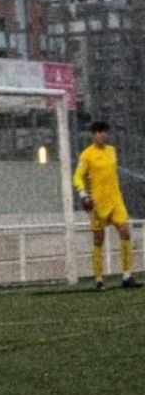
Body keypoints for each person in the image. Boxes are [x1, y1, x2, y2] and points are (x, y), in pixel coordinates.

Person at [72, 121, 140, 291]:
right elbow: (77, 177)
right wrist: (83, 194)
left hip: (116, 201)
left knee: (125, 231)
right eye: (100, 132)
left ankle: (127, 276)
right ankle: (99, 279)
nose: (103, 135)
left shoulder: (111, 151)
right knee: (98, 240)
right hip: (98, 204)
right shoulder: (86, 155)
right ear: (93, 135)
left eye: (105, 132)